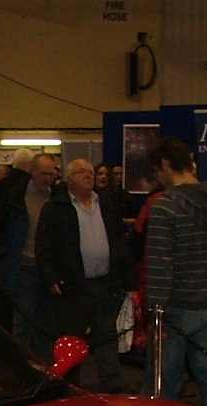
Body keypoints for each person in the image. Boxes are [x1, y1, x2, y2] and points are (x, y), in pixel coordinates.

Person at [144, 136, 207, 406]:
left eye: (156, 171)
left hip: (174, 310)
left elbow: (159, 266)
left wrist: (155, 313)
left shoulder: (165, 207)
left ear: (166, 164)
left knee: (161, 385)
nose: (157, 179)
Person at [36, 158, 135, 392]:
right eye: (82, 172)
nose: (89, 176)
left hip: (104, 283)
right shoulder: (55, 208)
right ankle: (70, 386)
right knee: (72, 338)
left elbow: (119, 243)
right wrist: (50, 278)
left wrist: (127, 279)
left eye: (90, 172)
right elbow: (44, 246)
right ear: (69, 179)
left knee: (106, 336)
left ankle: (112, 383)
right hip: (72, 285)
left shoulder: (106, 205)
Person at [0, 152, 60, 361]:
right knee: (22, 322)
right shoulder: (15, 196)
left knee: (47, 324)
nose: (47, 179)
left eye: (51, 174)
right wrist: (2, 256)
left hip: (49, 270)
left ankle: (45, 366)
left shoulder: (58, 198)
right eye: (43, 174)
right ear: (32, 172)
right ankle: (20, 365)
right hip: (23, 266)